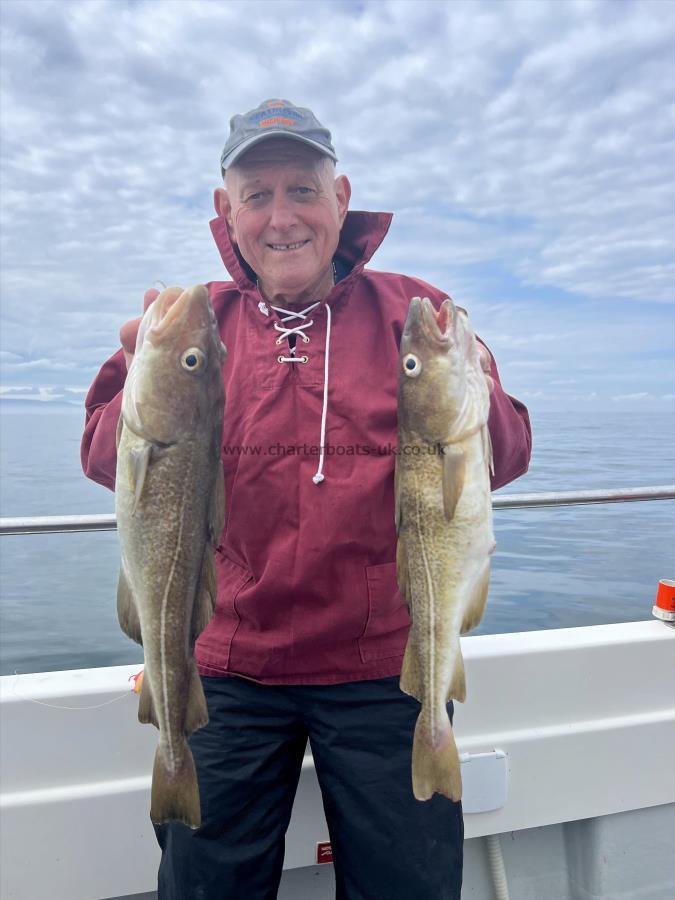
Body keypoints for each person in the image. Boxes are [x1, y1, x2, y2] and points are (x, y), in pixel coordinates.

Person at [82, 99, 532, 900]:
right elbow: (99, 457)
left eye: (302, 190)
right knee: (204, 884)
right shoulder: (194, 323)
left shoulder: (411, 311)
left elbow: (509, 452)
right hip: (223, 665)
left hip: (382, 667)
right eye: (257, 196)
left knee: (409, 884)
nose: (280, 217)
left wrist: (473, 378)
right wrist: (136, 384)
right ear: (227, 211)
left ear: (341, 198)